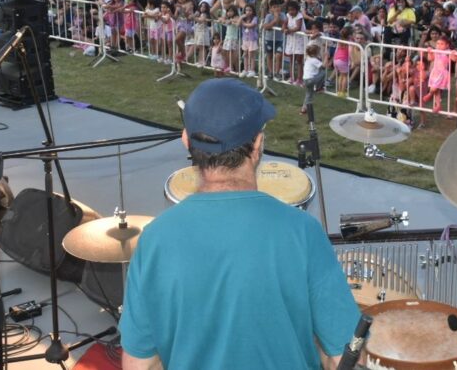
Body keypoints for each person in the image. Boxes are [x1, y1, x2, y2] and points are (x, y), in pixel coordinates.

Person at [120, 79, 359, 370]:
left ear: (186, 140)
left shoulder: (155, 239)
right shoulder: (302, 232)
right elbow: (341, 356)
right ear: (258, 144)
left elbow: (139, 364)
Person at [300, 42, 324, 114]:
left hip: (305, 79)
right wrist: (326, 57)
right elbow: (323, 66)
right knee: (323, 73)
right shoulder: (314, 60)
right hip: (310, 80)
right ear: (315, 54)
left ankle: (304, 108)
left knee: (309, 93)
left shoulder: (308, 58)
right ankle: (319, 88)